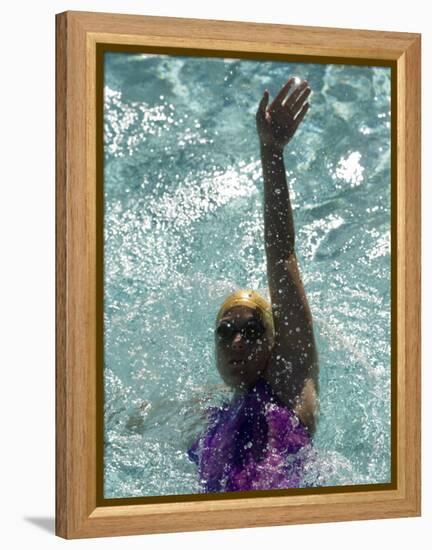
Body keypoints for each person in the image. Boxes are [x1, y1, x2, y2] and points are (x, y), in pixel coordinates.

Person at [188, 77, 319, 493]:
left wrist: (271, 152)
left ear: (273, 340)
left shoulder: (289, 385)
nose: (238, 341)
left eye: (252, 330)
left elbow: (281, 253)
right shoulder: (211, 417)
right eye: (226, 332)